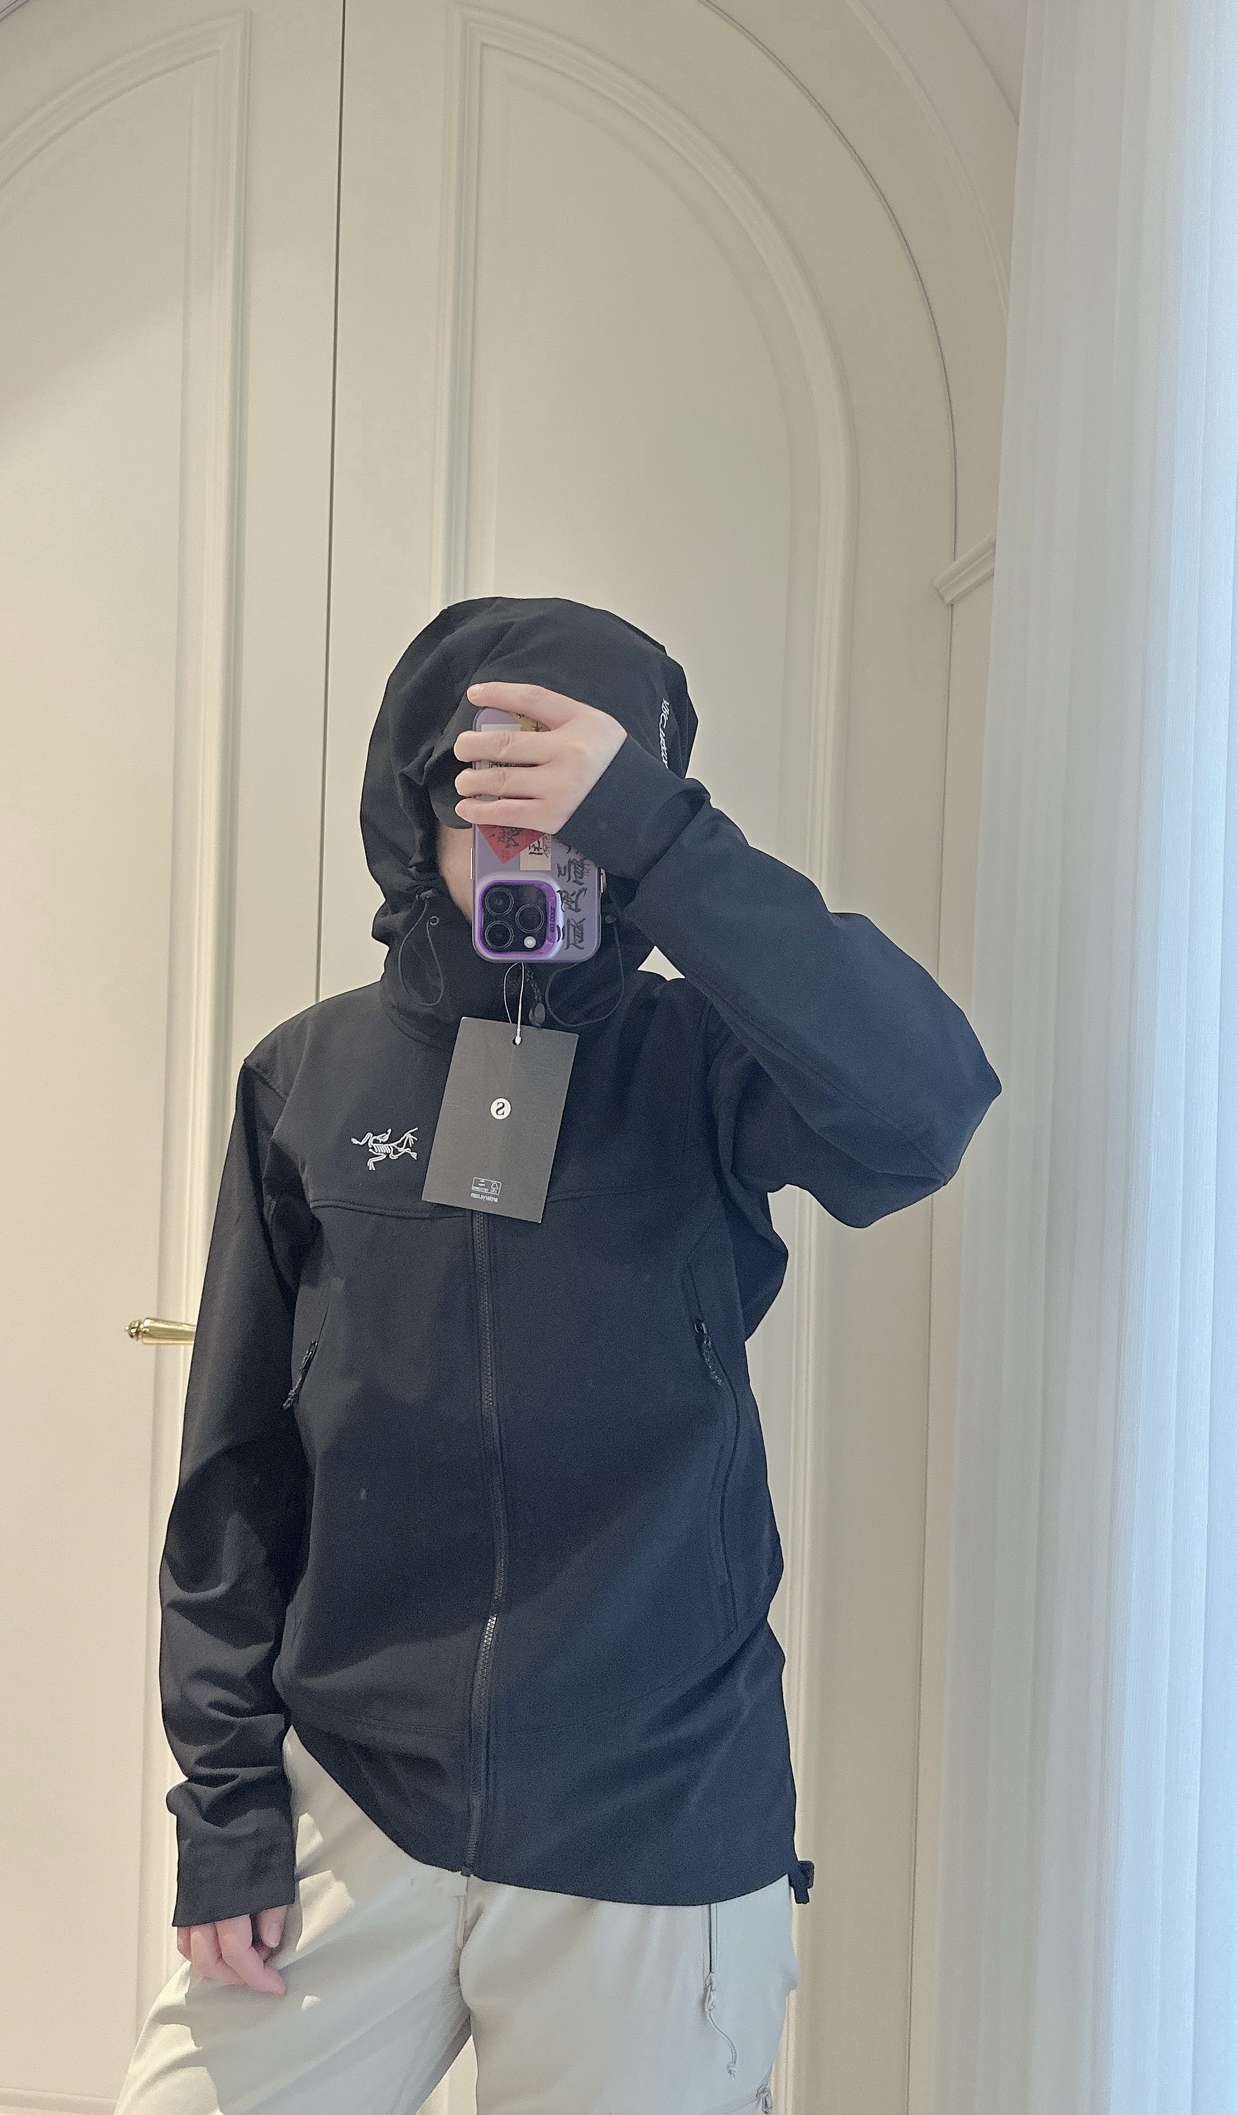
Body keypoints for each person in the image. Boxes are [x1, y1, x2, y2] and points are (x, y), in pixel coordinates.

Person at [112, 595, 1003, 2115]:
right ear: (423, 815)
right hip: (353, 1795)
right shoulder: (308, 1078)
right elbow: (235, 1479)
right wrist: (227, 1807)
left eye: (580, 826)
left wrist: (662, 834)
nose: (543, 864)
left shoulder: (705, 1065)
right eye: (502, 816)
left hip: (652, 1815)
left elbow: (923, 1114)